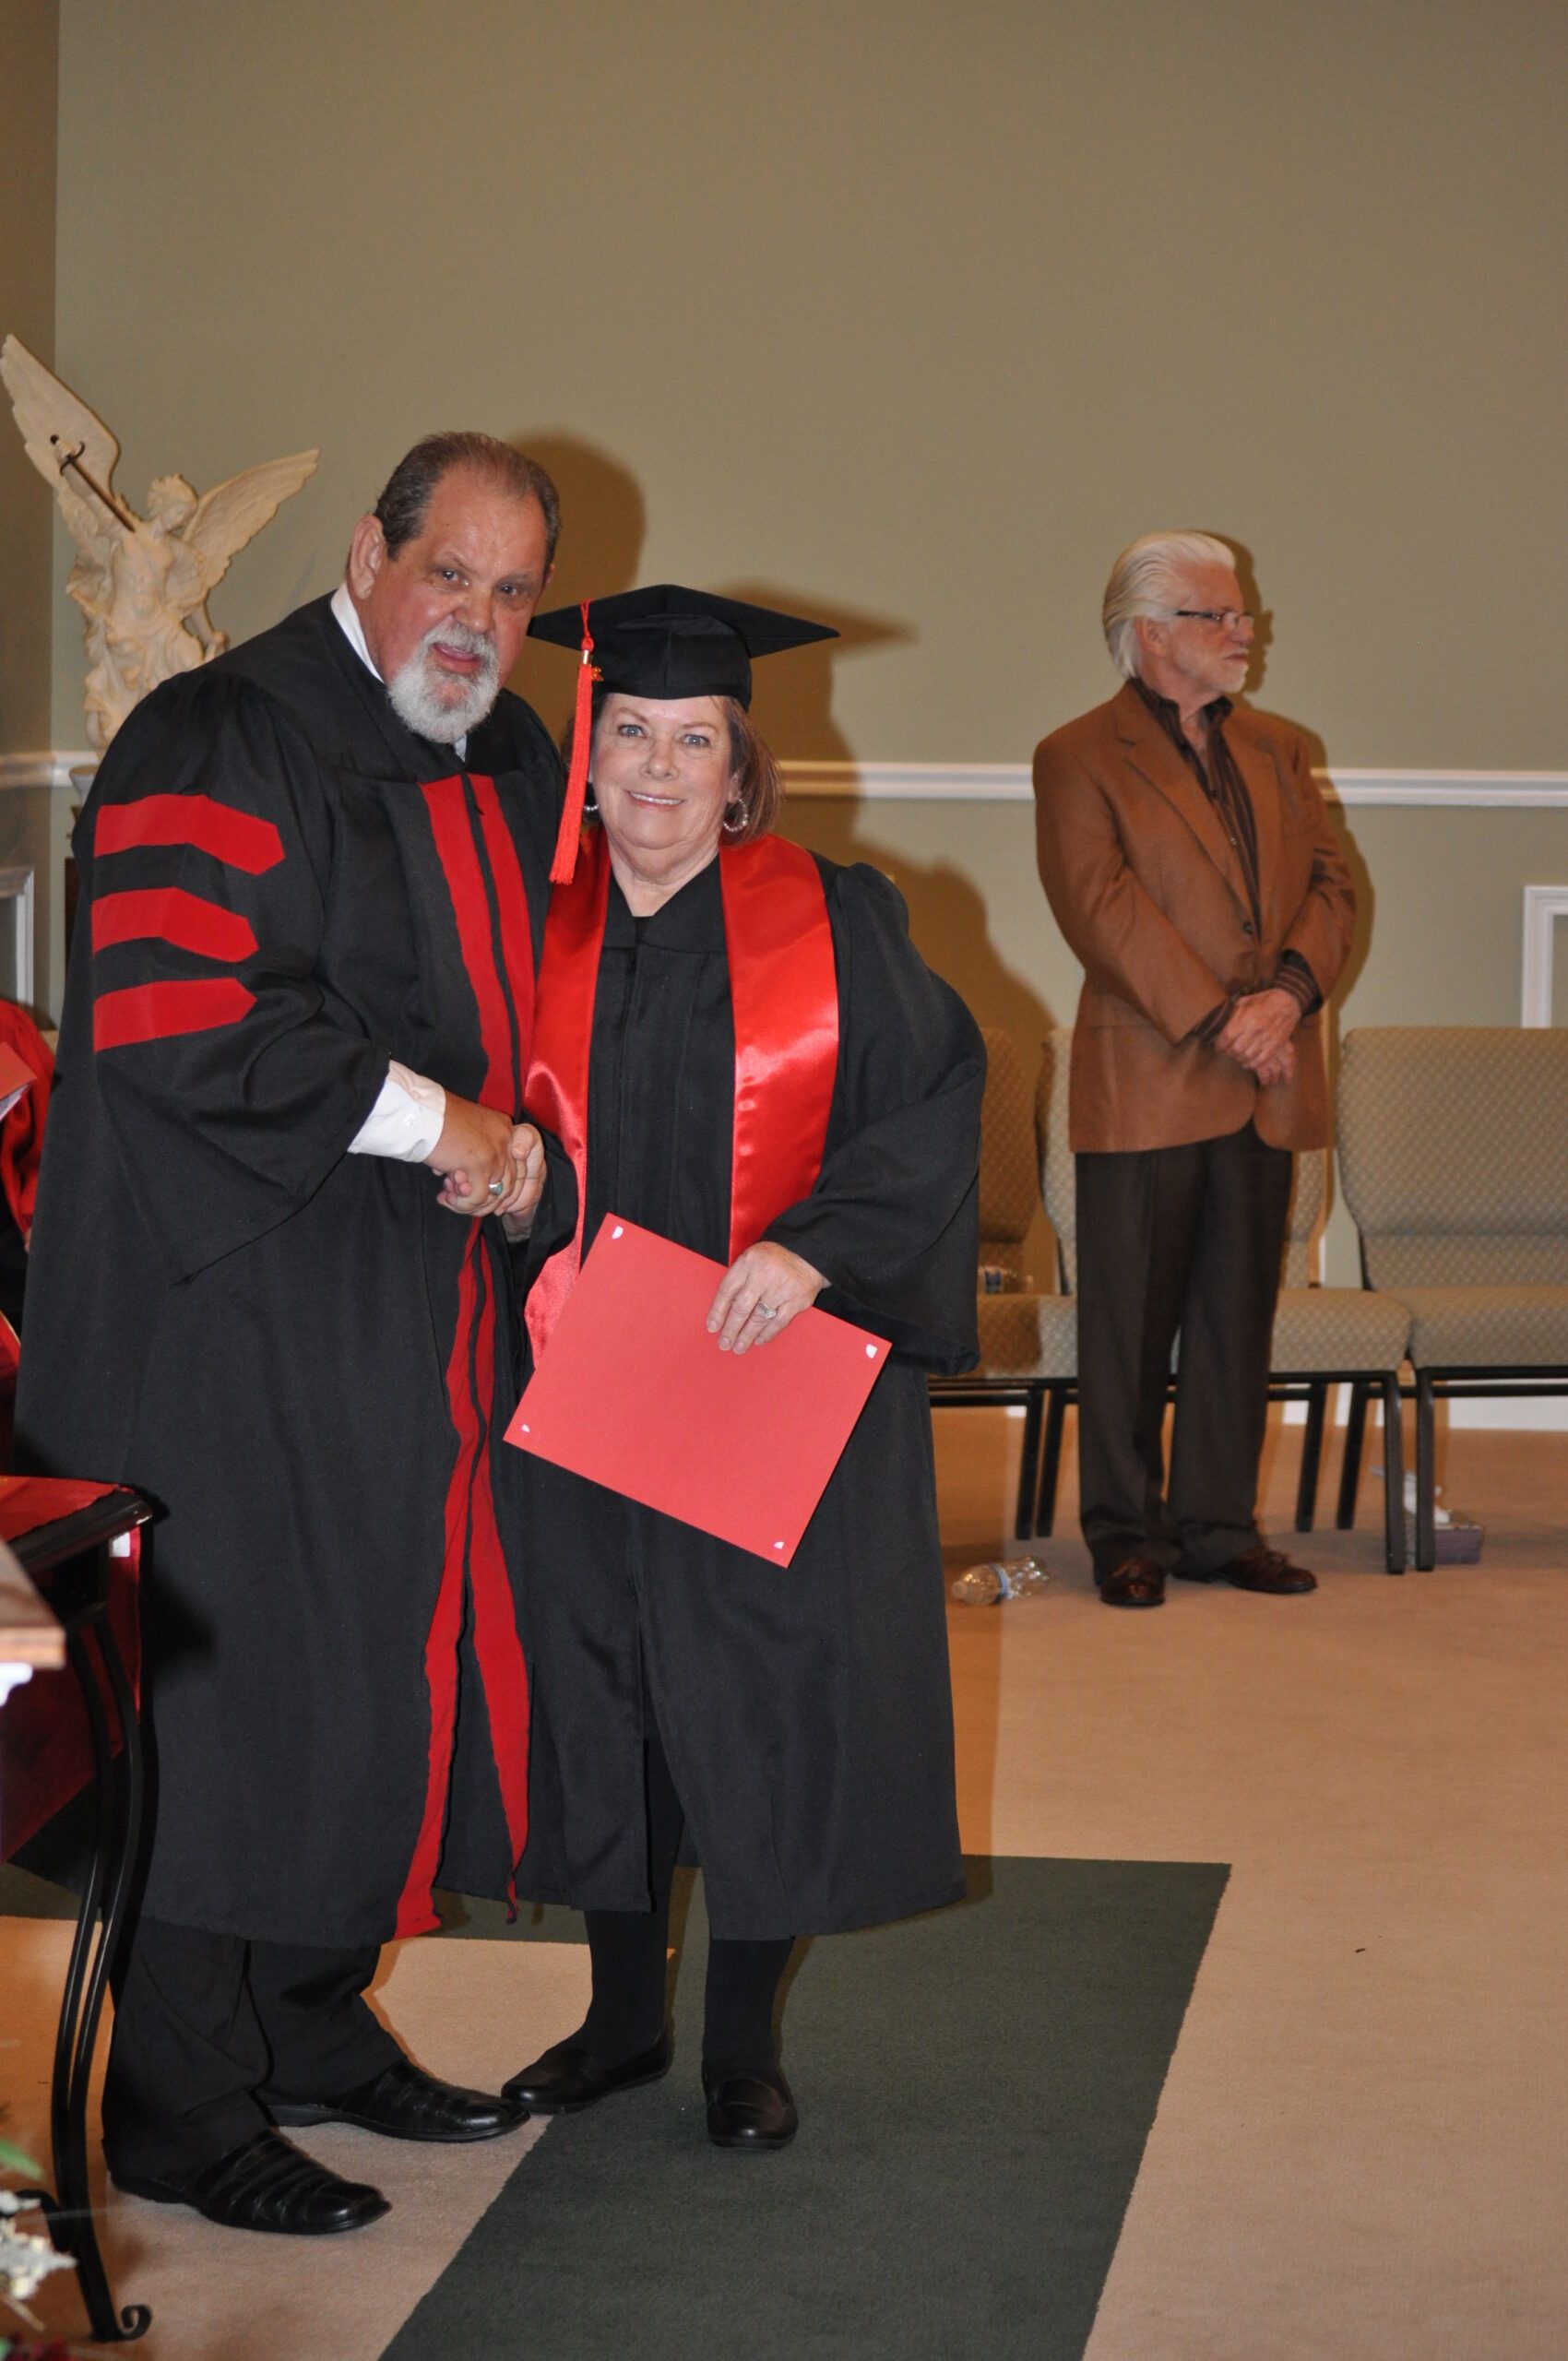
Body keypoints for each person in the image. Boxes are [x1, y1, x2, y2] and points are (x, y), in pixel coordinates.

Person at [16, 432, 564, 2234]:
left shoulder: (502, 748)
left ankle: (316, 2017)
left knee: (373, 1671)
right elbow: (177, 1016)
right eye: (449, 573)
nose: (475, 620)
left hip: (406, 1310)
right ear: (364, 548)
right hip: (222, 1308)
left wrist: (539, 1145)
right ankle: (177, 2092)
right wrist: (449, 1128)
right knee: (232, 1685)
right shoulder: (219, 732)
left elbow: (541, 993)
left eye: (511, 590)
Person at [503, 585, 983, 2150]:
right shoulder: (525, 924)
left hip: (758, 1373)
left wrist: (815, 1246)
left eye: (690, 740)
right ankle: (620, 2020)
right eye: (628, 732)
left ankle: (736, 2047)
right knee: (601, 1692)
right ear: (589, 754)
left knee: (758, 1693)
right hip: (572, 1379)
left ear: (738, 765)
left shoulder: (836, 918)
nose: (654, 769)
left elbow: (934, 1100)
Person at [1033, 531, 1356, 1610]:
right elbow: (1098, 907)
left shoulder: (1277, 748)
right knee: (1127, 1326)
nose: (1242, 631)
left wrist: (1288, 999)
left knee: (1234, 1320)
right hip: (1147, 1078)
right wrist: (1223, 1017)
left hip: (1264, 1078)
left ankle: (1219, 1528)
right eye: (1218, 615)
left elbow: (1331, 885)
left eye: (1238, 615)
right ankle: (1125, 1534)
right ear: (1151, 632)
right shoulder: (1076, 755)